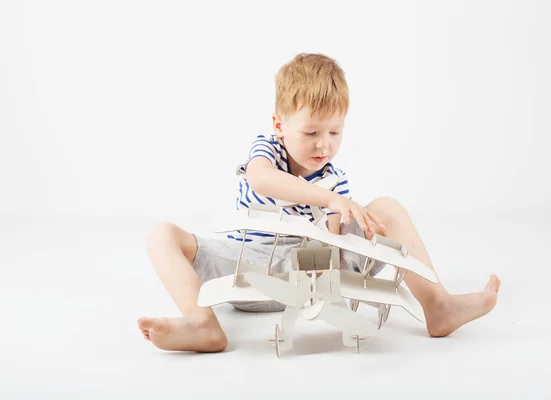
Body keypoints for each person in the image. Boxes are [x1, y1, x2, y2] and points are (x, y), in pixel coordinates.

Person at [137, 53, 501, 352]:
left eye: (334, 132)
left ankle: (437, 305)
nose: (323, 145)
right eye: (310, 132)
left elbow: (333, 243)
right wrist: (329, 198)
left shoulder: (333, 177)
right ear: (279, 125)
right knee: (163, 234)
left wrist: (347, 218)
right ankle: (202, 324)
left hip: (306, 275)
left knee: (386, 206)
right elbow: (261, 178)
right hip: (245, 266)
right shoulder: (268, 150)